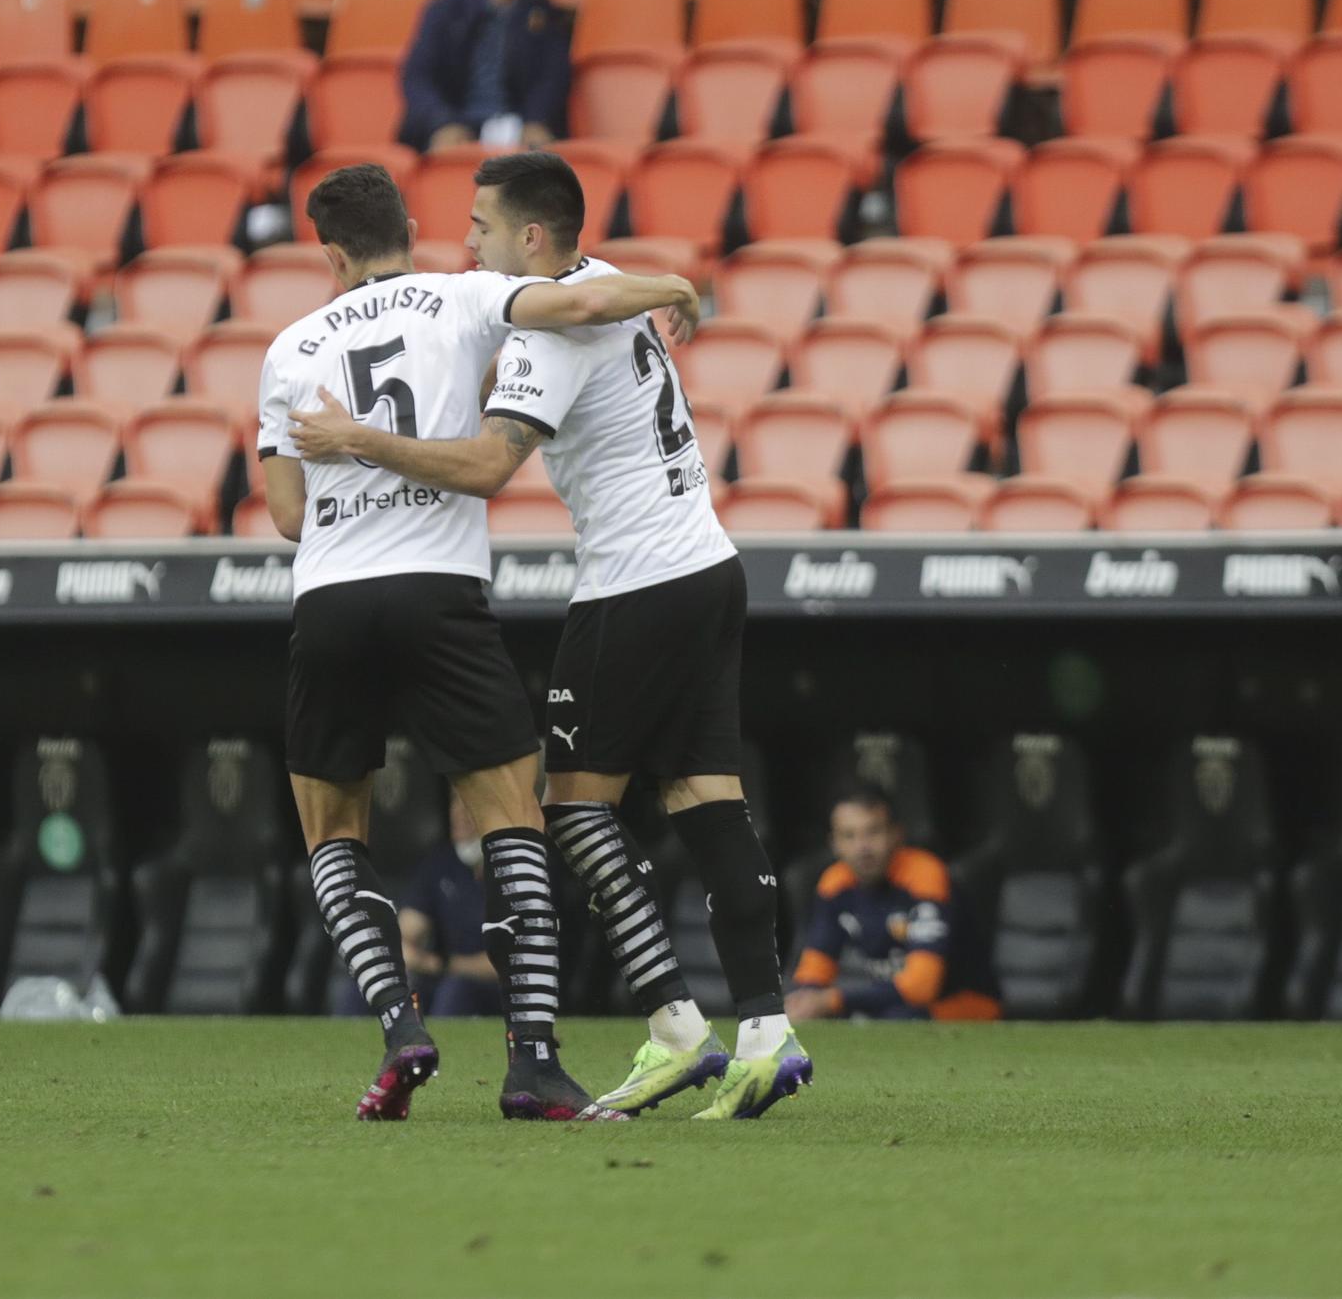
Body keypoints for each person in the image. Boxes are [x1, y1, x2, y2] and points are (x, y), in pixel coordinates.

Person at [287, 151, 808, 1122]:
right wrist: (680, 282)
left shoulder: (545, 335)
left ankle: (675, 1027)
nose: (465, 242)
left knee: (568, 808)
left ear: (530, 240)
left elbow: (487, 465)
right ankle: (768, 1034)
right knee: (705, 794)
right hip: (707, 562)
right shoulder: (604, 281)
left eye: (480, 226)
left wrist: (359, 440)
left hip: (632, 584)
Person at [785, 787, 1002, 1024]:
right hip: (895, 1007)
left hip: (964, 1006)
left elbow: (922, 987)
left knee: (884, 1020)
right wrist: (803, 1000)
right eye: (849, 836)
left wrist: (831, 1001)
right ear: (834, 843)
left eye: (873, 832)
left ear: (896, 834)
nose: (862, 847)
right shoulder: (835, 883)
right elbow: (814, 970)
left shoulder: (925, 875)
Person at [399, 0, 569, 153]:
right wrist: (442, 123)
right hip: (457, 126)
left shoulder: (544, 14)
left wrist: (535, 120)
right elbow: (417, 78)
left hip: (519, 132)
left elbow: (553, 79)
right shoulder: (444, 11)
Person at [398, 799, 502, 1018]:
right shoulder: (442, 861)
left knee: (456, 988)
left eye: (469, 803)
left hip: (498, 987)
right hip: (441, 973)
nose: (460, 814)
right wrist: (411, 954)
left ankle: (440, 1049)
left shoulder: (512, 868)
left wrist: (445, 965)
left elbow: (510, 963)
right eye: (455, 803)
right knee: (383, 984)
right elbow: (406, 930)